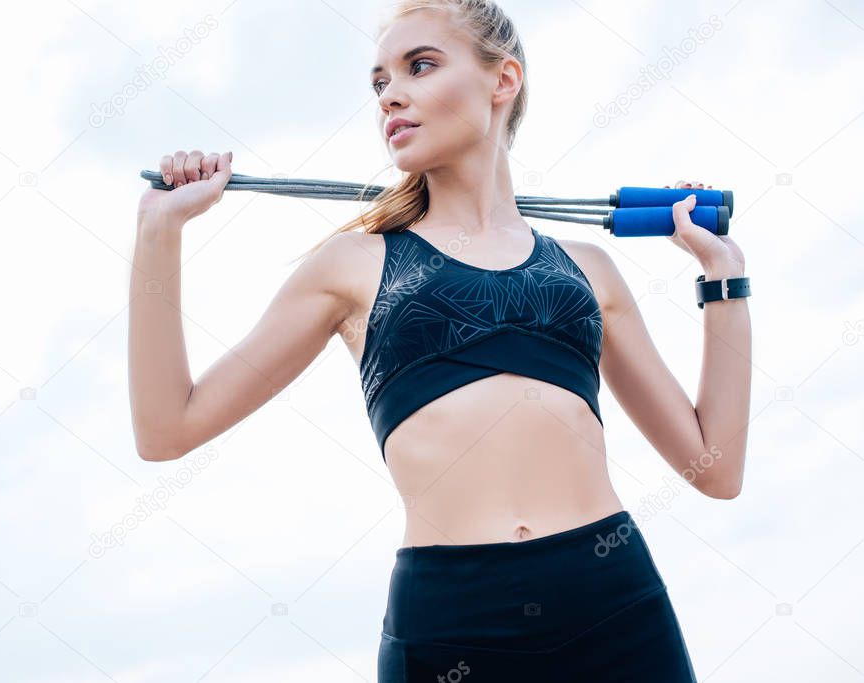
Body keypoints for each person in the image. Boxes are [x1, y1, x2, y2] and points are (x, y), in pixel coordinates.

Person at [128, 1, 751, 680]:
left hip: (612, 607)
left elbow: (713, 468)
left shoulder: (587, 269)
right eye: (378, 82)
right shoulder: (349, 265)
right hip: (450, 623)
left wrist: (723, 274)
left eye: (418, 66)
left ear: (501, 79)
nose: (390, 94)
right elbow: (167, 429)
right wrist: (159, 232)